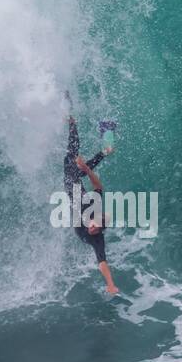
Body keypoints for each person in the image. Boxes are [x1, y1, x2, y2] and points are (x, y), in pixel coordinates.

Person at [63, 112, 119, 294]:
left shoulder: (97, 239)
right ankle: (73, 123)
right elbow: (98, 186)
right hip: (76, 188)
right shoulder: (93, 209)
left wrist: (110, 284)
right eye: (94, 226)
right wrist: (86, 169)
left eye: (95, 230)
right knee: (74, 165)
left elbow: (102, 262)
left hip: (76, 189)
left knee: (75, 168)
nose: (92, 229)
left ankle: (105, 150)